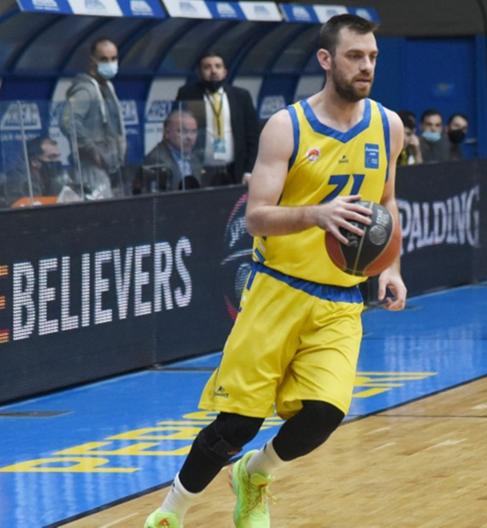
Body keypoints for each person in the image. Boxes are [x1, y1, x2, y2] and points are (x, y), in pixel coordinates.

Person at [145, 14, 406, 528]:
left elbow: (388, 204)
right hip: (278, 290)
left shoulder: (388, 125)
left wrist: (391, 266)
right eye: (355, 56)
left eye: (373, 57)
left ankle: (254, 475)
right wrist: (316, 214)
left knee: (324, 415)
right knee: (237, 423)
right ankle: (170, 513)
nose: (367, 66)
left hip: (341, 301)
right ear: (326, 60)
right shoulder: (288, 126)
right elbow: (256, 216)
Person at [176, 51, 259, 187]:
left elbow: (252, 136)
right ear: (199, 73)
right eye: (207, 67)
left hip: (234, 170)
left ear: (225, 72)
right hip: (199, 170)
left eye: (218, 66)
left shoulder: (241, 96)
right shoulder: (188, 94)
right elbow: (177, 129)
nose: (213, 71)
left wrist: (249, 170)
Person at [61, 36, 126, 200]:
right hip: (91, 168)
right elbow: (68, 121)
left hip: (112, 166)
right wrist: (91, 150)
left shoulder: (108, 87)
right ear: (92, 60)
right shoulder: (86, 90)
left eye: (114, 58)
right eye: (104, 59)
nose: (110, 63)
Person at [138, 109, 203, 193]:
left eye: (194, 131)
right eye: (183, 131)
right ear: (167, 133)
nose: (189, 137)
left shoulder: (195, 158)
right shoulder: (156, 160)